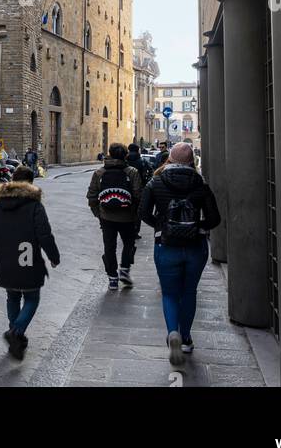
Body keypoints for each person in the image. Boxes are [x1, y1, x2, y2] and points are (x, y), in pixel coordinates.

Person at [139, 141, 220, 367]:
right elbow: (215, 219)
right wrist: (198, 227)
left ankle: (172, 332)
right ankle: (185, 338)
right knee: (189, 292)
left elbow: (143, 212)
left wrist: (161, 226)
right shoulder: (201, 184)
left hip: (166, 246)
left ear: (170, 159)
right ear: (191, 160)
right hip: (195, 247)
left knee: (169, 293)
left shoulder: (156, 182)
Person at [0, 165, 59, 359]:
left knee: (12, 296)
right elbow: (44, 234)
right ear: (31, 183)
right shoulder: (34, 205)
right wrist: (53, 256)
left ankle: (15, 338)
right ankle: (16, 332)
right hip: (28, 260)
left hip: (5, 258)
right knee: (32, 298)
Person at [87, 142, 143, 290]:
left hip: (106, 217)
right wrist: (136, 215)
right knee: (129, 244)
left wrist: (98, 214)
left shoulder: (99, 173)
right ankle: (124, 269)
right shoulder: (132, 172)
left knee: (109, 247)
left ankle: (112, 278)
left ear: (109, 154)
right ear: (126, 155)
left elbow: (92, 196)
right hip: (128, 217)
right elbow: (138, 196)